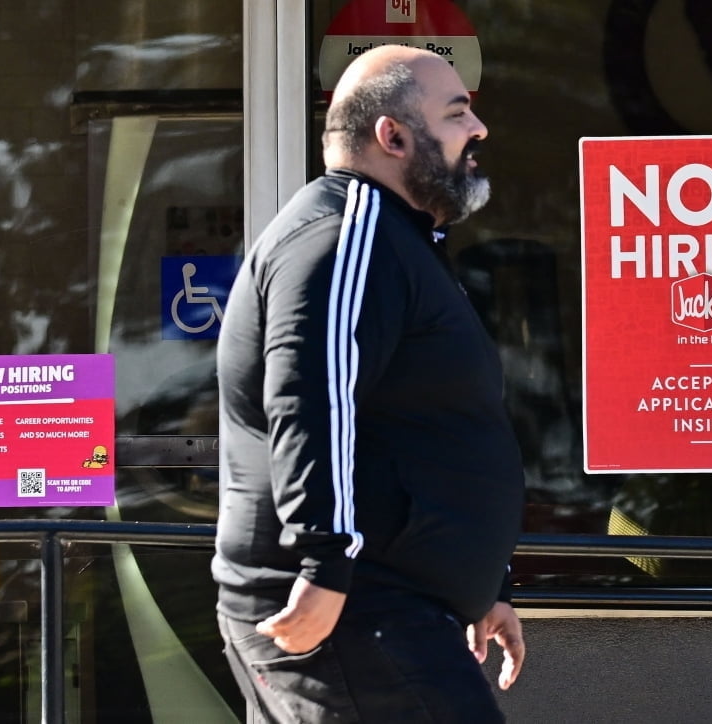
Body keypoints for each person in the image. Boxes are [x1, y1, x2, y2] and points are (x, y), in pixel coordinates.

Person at [212, 45, 527, 723]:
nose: (478, 130)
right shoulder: (345, 235)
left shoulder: (394, 238)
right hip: (352, 610)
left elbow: (425, 427)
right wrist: (326, 564)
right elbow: (312, 399)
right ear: (393, 136)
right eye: (457, 113)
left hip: (382, 606)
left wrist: (484, 587)